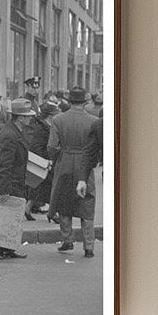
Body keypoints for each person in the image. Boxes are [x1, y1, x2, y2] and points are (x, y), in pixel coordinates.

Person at [0, 96, 37, 260]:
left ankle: (7, 247)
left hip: (14, 181)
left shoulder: (15, 131)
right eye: (28, 116)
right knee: (4, 217)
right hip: (9, 183)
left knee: (10, 218)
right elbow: (4, 164)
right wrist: (4, 190)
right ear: (20, 118)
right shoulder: (10, 135)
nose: (30, 118)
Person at [48, 86, 99, 257]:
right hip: (85, 164)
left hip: (65, 161)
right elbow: (98, 147)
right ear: (85, 102)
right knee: (87, 202)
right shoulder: (93, 120)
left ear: (69, 102)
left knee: (64, 201)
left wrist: (55, 159)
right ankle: (89, 246)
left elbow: (52, 146)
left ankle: (67, 240)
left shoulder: (58, 119)